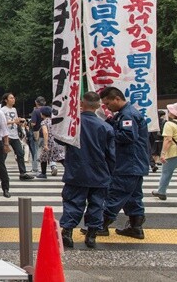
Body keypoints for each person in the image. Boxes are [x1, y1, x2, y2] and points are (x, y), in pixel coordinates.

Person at [60, 92, 116, 249]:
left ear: (81, 104)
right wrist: (109, 173)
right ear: (98, 106)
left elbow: (58, 138)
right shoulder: (106, 127)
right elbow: (111, 155)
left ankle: (68, 232)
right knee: (97, 204)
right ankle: (91, 235)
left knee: (73, 202)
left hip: (77, 170)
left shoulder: (73, 125)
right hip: (100, 171)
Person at [98, 86, 150, 239]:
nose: (107, 107)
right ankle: (136, 227)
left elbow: (128, 136)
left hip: (129, 162)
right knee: (134, 196)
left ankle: (102, 224)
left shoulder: (127, 115)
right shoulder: (125, 114)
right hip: (135, 163)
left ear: (117, 99)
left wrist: (110, 132)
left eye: (108, 104)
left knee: (116, 193)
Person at [151, 102, 177, 206]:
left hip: (173, 154)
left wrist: (162, 154)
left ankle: (161, 192)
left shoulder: (169, 124)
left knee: (166, 173)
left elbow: (167, 140)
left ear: (175, 113)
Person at [0, 93, 33, 180]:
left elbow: (16, 120)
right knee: (4, 154)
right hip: (6, 135)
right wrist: (13, 121)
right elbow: (2, 122)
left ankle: (22, 173)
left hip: (14, 135)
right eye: (11, 98)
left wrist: (20, 121)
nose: (13, 99)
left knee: (20, 153)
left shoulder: (14, 109)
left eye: (14, 98)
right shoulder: (2, 110)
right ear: (6, 100)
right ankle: (1, 171)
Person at [36, 106, 65, 179]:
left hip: (49, 142)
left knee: (43, 157)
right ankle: (70, 171)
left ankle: (43, 173)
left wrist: (45, 144)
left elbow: (45, 132)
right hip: (57, 141)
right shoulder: (54, 121)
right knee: (60, 157)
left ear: (42, 114)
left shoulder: (44, 122)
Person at [29, 96, 47, 173]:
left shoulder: (36, 111)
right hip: (46, 134)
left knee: (35, 151)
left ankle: (35, 168)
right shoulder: (48, 110)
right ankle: (53, 165)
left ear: (36, 102)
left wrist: (29, 123)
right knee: (47, 151)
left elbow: (33, 123)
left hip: (37, 134)